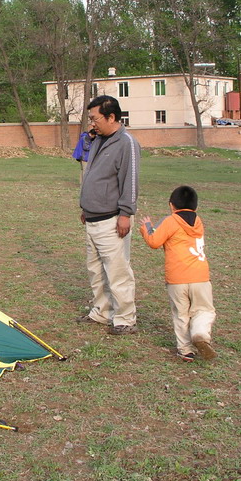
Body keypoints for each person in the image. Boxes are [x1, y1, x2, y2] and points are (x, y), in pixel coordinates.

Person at [76, 95, 140, 335]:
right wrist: (86, 207)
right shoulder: (98, 140)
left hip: (112, 220)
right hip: (92, 218)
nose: (92, 123)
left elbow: (130, 181)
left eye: (95, 118)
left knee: (117, 272)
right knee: (95, 270)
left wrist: (126, 213)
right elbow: (93, 175)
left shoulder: (126, 143)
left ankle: (125, 319)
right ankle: (102, 312)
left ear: (111, 117)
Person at [138, 185, 217, 362]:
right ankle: (200, 333)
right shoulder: (198, 221)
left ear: (171, 205)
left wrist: (146, 227)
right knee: (203, 310)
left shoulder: (171, 221)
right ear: (196, 207)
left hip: (177, 279)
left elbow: (154, 241)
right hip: (200, 277)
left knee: (180, 314)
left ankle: (185, 349)